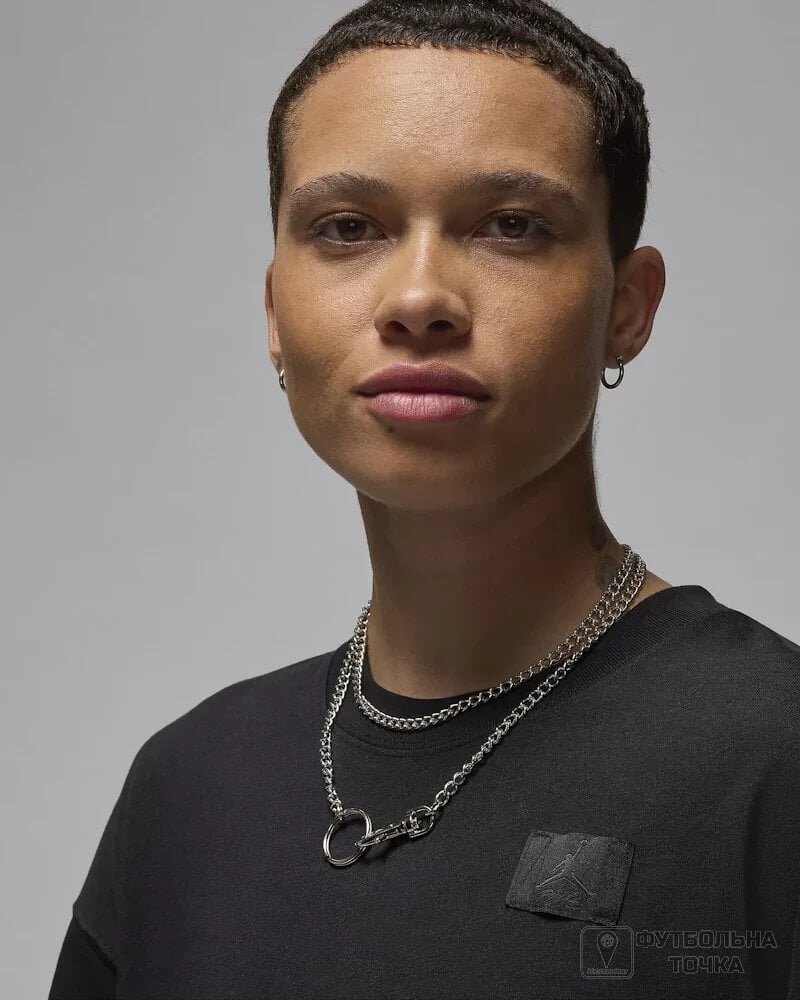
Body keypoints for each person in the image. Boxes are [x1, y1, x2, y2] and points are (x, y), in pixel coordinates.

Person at [49, 0, 800, 997]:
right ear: (275, 313)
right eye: (348, 228)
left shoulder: (770, 757)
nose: (418, 299)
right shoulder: (186, 790)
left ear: (627, 308)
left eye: (512, 226)